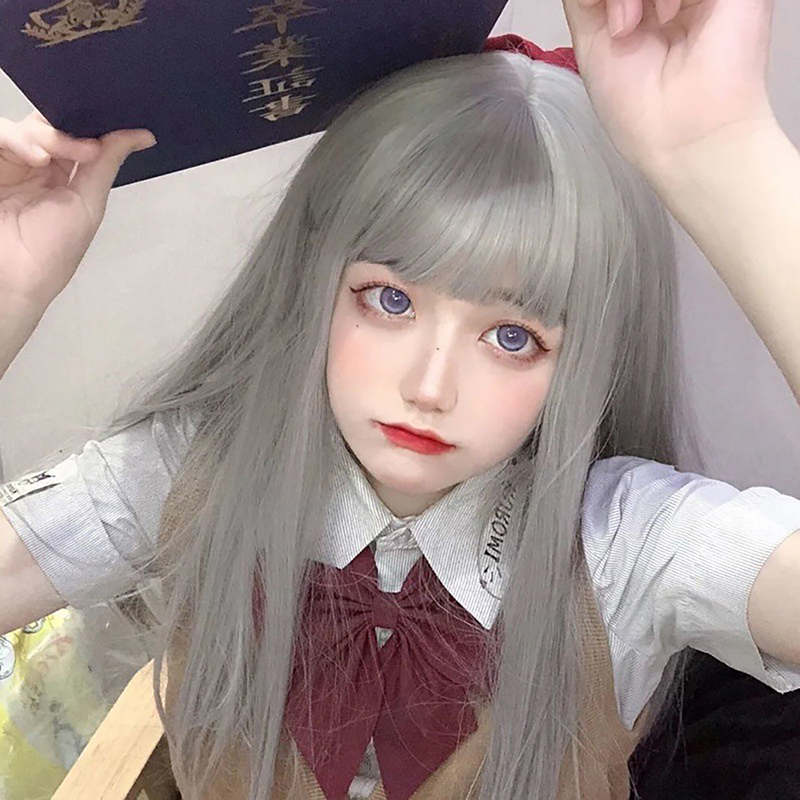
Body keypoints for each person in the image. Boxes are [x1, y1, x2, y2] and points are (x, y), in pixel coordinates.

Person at [0, 0, 799, 798]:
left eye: (511, 336)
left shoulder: (626, 546)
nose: (429, 386)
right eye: (389, 300)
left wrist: (724, 150)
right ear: (314, 281)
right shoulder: (191, 472)